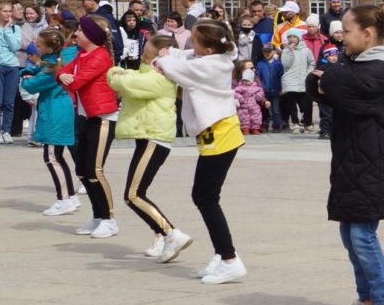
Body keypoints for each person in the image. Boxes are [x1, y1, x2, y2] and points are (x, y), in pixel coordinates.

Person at [320, 4, 384, 305]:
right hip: (354, 158)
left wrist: (327, 79)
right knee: (349, 231)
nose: (341, 36)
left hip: (375, 160)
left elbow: (337, 83)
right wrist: (328, 84)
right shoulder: (360, 65)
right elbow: (333, 89)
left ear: (367, 35)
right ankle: (367, 299)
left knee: (362, 234)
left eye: (347, 30)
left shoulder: (380, 68)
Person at [153, 21, 249, 285]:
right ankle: (221, 256)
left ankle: (229, 259)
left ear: (207, 49)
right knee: (204, 196)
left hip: (221, 134)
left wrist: (163, 59)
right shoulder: (208, 57)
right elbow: (182, 56)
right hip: (215, 133)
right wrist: (168, 54)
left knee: (205, 197)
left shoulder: (211, 66)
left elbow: (177, 69)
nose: (188, 45)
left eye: (193, 40)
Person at [106, 33, 196, 263]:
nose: (144, 48)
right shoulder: (153, 72)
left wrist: (114, 72)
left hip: (154, 139)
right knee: (135, 194)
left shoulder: (161, 78)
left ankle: (170, 233)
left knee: (133, 195)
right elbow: (138, 75)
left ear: (159, 51)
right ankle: (165, 235)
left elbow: (126, 84)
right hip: (149, 137)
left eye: (148, 46)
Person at [58, 16, 119, 235]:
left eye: (81, 31)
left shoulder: (99, 56)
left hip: (103, 117)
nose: (76, 34)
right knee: (82, 170)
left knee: (95, 169)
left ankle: (110, 219)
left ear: (91, 36)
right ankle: (97, 216)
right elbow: (61, 72)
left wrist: (67, 77)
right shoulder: (82, 55)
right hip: (87, 116)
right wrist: (64, 76)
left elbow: (76, 82)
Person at [23, 27, 80, 215]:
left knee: (52, 156)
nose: (35, 48)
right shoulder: (59, 59)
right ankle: (70, 196)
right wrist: (31, 69)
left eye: (38, 45)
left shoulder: (51, 69)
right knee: (59, 156)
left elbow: (31, 85)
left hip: (55, 110)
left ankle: (64, 199)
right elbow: (39, 67)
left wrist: (24, 77)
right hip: (61, 108)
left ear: (48, 48)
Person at [0, 3, 25, 145]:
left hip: (12, 66)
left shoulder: (16, 28)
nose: (8, 14)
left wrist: (8, 30)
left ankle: (6, 130)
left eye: (10, 11)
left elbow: (15, 47)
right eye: (5, 11)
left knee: (9, 102)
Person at [233, 60, 269, 135]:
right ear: (242, 70)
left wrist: (264, 101)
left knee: (256, 116)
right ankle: (244, 128)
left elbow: (260, 92)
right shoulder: (235, 81)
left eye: (253, 68)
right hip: (240, 106)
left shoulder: (255, 80)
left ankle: (256, 128)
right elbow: (233, 92)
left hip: (253, 105)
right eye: (251, 68)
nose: (254, 70)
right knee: (243, 117)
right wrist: (239, 98)